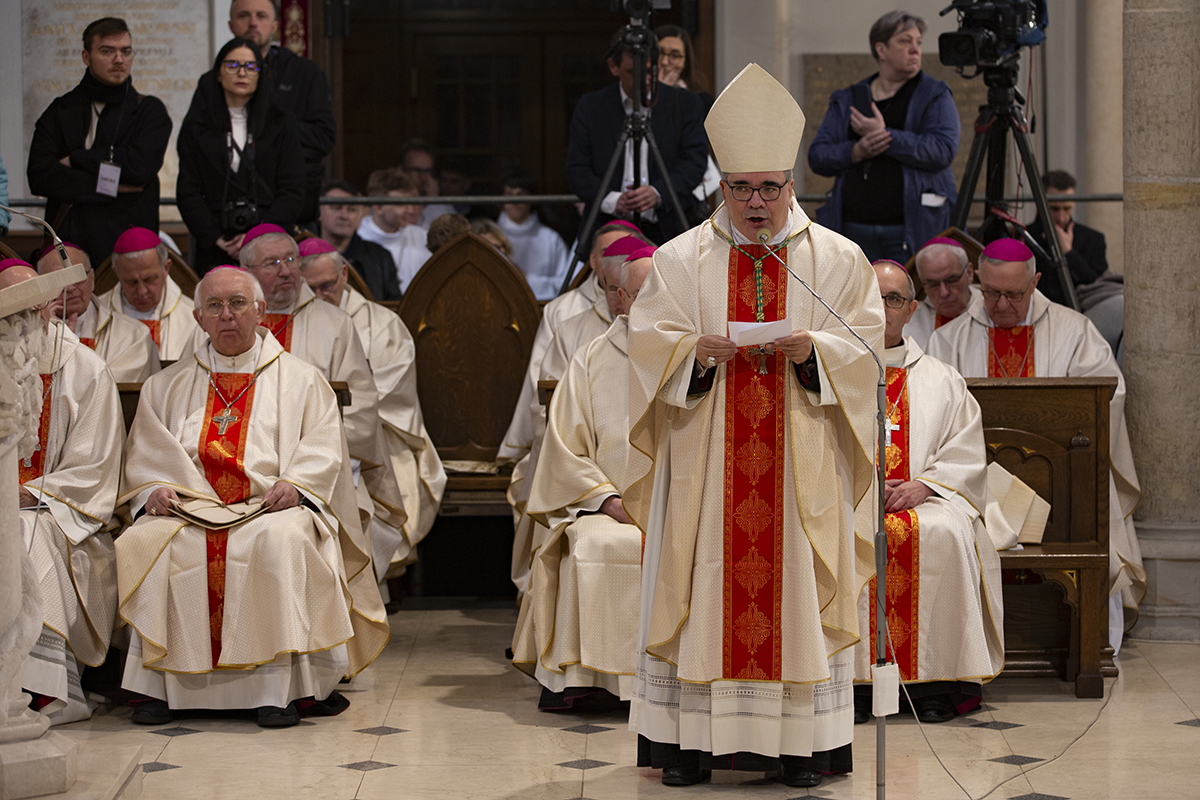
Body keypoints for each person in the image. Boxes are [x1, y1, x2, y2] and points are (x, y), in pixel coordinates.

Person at [626, 63, 882, 788]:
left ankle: (802, 748)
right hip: (707, 462)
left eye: (770, 187)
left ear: (792, 186)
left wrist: (816, 354)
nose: (756, 203)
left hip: (802, 462)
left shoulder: (837, 259)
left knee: (795, 588)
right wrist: (692, 356)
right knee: (705, 586)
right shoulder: (680, 260)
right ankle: (691, 746)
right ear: (722, 187)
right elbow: (646, 349)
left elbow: (867, 349)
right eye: (741, 188)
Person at [117, 266, 389, 727]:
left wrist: (297, 483)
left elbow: (324, 449)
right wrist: (155, 488)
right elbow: (146, 453)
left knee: (281, 541)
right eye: (214, 306)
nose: (227, 315)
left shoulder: (303, 380)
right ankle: (161, 687)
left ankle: (275, 691)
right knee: (153, 540)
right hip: (192, 507)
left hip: (269, 506)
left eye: (238, 303)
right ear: (198, 318)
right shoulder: (166, 385)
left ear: (260, 311)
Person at [926, 238, 1145, 651]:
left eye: (1014, 294)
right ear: (979, 281)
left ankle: (1087, 644)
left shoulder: (1074, 331)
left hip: (1062, 484)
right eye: (991, 292)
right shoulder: (947, 339)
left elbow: (1108, 396)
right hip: (978, 481)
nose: (1001, 305)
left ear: (1036, 282)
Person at [852, 260, 1007, 726]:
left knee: (944, 534)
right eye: (873, 298)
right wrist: (863, 484)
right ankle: (854, 685)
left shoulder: (942, 378)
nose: (882, 308)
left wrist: (924, 485)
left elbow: (965, 451)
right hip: (852, 501)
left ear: (911, 309)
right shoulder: (832, 375)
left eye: (894, 299)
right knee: (840, 534)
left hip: (928, 499)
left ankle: (938, 685)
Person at [511, 247, 655, 708]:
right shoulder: (590, 360)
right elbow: (564, 449)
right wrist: (609, 501)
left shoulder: (700, 359)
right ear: (621, 299)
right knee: (596, 544)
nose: (654, 302)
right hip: (609, 508)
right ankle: (592, 680)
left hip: (683, 508)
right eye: (642, 293)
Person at [4, 258, 122, 725]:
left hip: (58, 516)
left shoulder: (86, 369)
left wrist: (28, 494)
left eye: (30, 307)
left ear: (49, 306)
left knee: (20, 535)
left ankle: (42, 689)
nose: (21, 320)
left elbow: (94, 468)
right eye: (9, 310)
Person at [505, 230, 649, 598]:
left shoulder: (692, 352)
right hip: (595, 485)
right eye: (617, 291)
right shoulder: (580, 342)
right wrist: (605, 499)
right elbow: (550, 408)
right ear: (614, 289)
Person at [298, 237, 447, 577]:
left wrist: (330, 428)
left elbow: (385, 395)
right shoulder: (297, 324)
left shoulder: (382, 324)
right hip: (305, 438)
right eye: (310, 288)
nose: (320, 296)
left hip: (371, 437)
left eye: (327, 286)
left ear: (344, 275)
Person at [808, 11, 959, 262]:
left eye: (918, 42)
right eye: (905, 41)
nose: (915, 49)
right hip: (853, 228)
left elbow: (942, 150)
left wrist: (885, 137)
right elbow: (818, 155)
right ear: (881, 49)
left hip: (912, 229)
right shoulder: (848, 98)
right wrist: (856, 151)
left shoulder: (935, 95)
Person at [26, 17, 172, 268]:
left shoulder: (149, 110)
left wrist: (76, 159)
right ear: (86, 56)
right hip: (70, 244)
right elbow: (40, 176)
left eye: (126, 51)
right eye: (107, 51)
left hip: (127, 248)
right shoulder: (61, 110)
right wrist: (113, 187)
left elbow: (139, 169)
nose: (119, 59)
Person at [565, 27, 709, 245]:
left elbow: (695, 162)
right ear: (614, 66)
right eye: (634, 72)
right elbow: (577, 169)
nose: (645, 80)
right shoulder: (591, 106)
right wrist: (611, 200)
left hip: (667, 230)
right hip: (607, 228)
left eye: (650, 71)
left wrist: (658, 192)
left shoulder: (684, 103)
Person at [177, 37, 305, 275]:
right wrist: (216, 237)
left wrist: (257, 236)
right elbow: (188, 191)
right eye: (232, 65)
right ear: (218, 73)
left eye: (251, 66)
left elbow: (293, 189)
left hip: (269, 244)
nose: (242, 73)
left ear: (261, 73)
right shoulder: (198, 125)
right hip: (217, 245)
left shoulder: (281, 123)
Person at [226, 0, 335, 226]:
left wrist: (274, 128)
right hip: (231, 212)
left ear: (275, 26)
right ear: (231, 25)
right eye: (244, 16)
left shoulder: (306, 74)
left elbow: (323, 138)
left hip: (295, 211)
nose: (253, 23)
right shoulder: (215, 79)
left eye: (261, 16)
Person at [1027, 169, 1124, 357]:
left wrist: (1069, 253)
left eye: (1067, 209)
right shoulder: (1023, 236)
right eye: (1055, 209)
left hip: (1078, 327)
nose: (1061, 217)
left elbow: (1098, 285)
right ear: (1042, 205)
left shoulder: (1092, 239)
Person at [36, 242, 160, 382]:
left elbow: (105, 389)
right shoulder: (30, 335)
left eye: (78, 277)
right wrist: (51, 336)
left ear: (92, 279)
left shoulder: (133, 335)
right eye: (58, 280)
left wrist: (68, 345)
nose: (70, 288)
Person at [95, 227, 198, 360]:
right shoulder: (96, 314)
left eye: (149, 279)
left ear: (166, 268)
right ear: (117, 273)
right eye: (131, 282)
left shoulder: (193, 318)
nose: (142, 291)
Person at [654, 25, 721, 214]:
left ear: (685, 62)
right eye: (660, 53)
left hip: (683, 195)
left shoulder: (700, 101)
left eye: (674, 55)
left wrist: (667, 94)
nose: (665, 61)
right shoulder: (637, 99)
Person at [315, 179, 401, 302]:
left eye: (352, 209)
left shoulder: (381, 257)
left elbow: (393, 306)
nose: (344, 216)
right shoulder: (303, 255)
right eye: (336, 208)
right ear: (319, 211)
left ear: (361, 214)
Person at [498, 171, 571, 301]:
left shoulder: (551, 239)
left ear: (531, 198)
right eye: (508, 195)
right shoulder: (490, 236)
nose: (514, 202)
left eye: (520, 195)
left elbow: (565, 285)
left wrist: (526, 279)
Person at [356, 167, 430, 294]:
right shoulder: (357, 239)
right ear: (379, 207)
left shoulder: (423, 237)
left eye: (411, 203)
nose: (411, 210)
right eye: (401, 204)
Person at [907, 236, 982, 349]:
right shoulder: (909, 321)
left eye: (952, 280)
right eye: (933, 284)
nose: (944, 293)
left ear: (970, 273)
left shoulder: (988, 310)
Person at [399, 139, 456, 227]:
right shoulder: (390, 204)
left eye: (427, 171)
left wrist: (434, 202)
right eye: (417, 170)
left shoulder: (444, 207)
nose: (423, 177)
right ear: (401, 170)